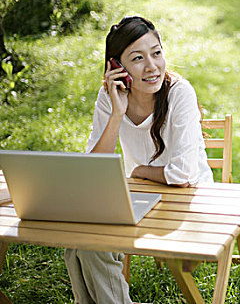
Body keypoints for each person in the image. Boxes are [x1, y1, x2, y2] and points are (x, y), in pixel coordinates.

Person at [64, 16, 213, 303]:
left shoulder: (180, 93)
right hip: (140, 197)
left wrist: (141, 171)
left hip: (188, 201)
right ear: (116, 67)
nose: (152, 66)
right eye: (138, 58)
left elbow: (183, 175)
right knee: (79, 243)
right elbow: (93, 169)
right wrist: (117, 113)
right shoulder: (110, 96)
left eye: (156, 53)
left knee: (87, 245)